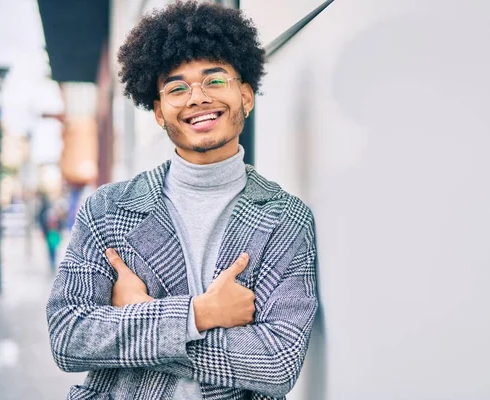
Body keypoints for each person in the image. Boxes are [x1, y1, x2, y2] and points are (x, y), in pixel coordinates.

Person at [46, 2, 318, 400]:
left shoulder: (285, 219)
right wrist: (200, 315)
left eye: (214, 81)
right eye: (176, 88)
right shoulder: (107, 209)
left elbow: (276, 363)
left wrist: (135, 321)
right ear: (158, 111)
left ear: (246, 95)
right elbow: (68, 335)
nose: (197, 98)